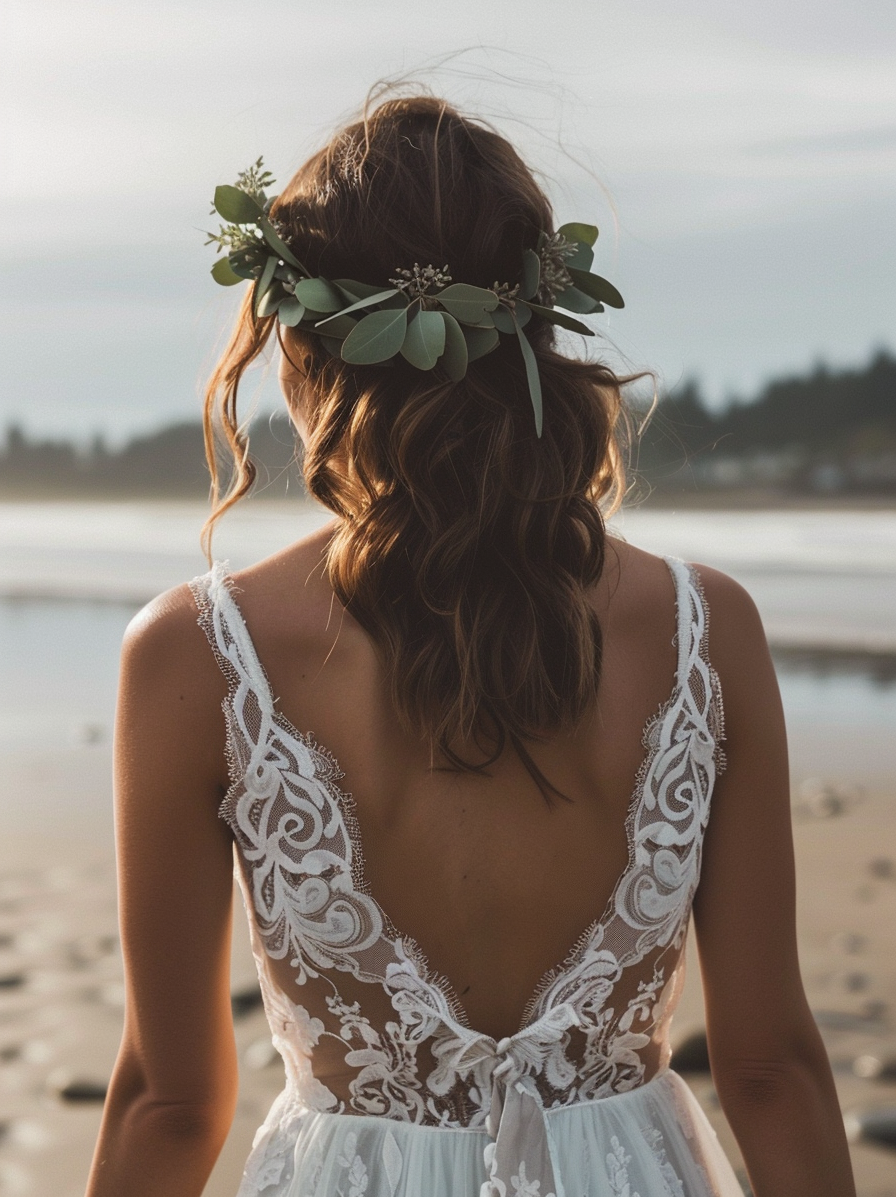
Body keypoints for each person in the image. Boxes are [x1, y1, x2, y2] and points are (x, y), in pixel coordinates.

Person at [85, 95, 856, 1197]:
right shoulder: (701, 630)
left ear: (298, 344)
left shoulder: (195, 654)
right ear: (536, 331)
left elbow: (170, 1103)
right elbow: (772, 1070)